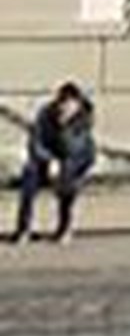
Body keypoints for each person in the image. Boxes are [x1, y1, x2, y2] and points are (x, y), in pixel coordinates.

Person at [9, 81, 95, 244]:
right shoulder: (45, 114)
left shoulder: (83, 119)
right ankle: (24, 228)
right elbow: (35, 143)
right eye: (62, 102)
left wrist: (64, 128)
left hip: (77, 160)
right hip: (48, 159)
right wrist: (49, 160)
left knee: (68, 176)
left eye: (69, 104)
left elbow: (74, 150)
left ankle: (64, 227)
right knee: (29, 173)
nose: (64, 107)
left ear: (77, 104)